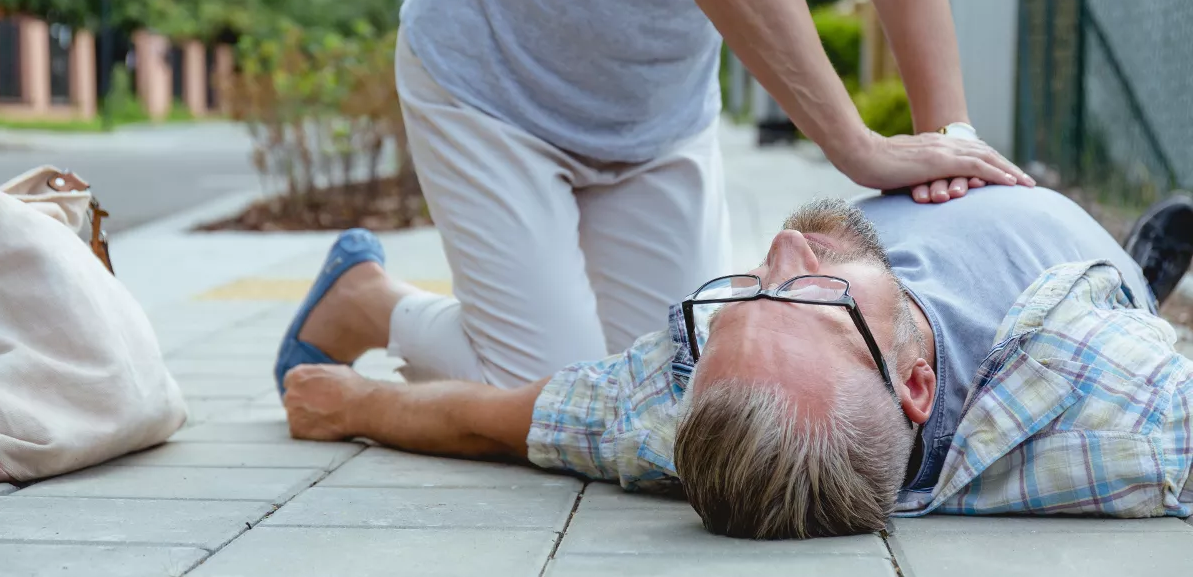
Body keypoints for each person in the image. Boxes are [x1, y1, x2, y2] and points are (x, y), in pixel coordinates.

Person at [370, 0, 1036, 390]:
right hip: (493, 84)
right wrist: (858, 147)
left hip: (656, 111)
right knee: (548, 389)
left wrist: (952, 151)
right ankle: (364, 300)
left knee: (680, 384)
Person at [276, 186, 1193, 539]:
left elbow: (519, 418)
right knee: (1127, 289)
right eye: (806, 299)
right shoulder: (1111, 396)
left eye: (746, 294)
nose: (787, 250)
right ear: (915, 385)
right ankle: (1140, 271)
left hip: (936, 183)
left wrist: (360, 405)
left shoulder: (660, 410)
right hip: (1065, 255)